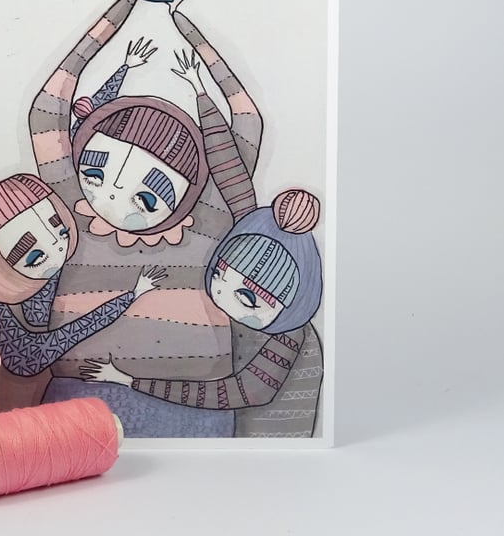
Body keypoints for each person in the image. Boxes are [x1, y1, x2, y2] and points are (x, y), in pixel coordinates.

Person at [28, 0, 264, 437]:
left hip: (193, 406)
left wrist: (187, 27)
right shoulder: (72, 205)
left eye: (147, 194)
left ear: (190, 189)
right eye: (96, 172)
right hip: (81, 400)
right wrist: (128, 0)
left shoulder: (209, 213)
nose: (112, 196)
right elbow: (48, 108)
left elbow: (247, 120)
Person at [80, 31, 324, 438]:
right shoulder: (252, 229)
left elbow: (241, 392)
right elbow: (228, 165)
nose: (223, 291)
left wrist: (132, 382)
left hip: (272, 428)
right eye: (221, 273)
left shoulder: (289, 339)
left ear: (293, 303)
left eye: (248, 297)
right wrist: (198, 89)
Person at [0, 173, 166, 411]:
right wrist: (132, 295)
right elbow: (72, 333)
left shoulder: (42, 277)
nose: (58, 246)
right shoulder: (18, 342)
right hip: (8, 413)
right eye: (35, 256)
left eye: (60, 232)